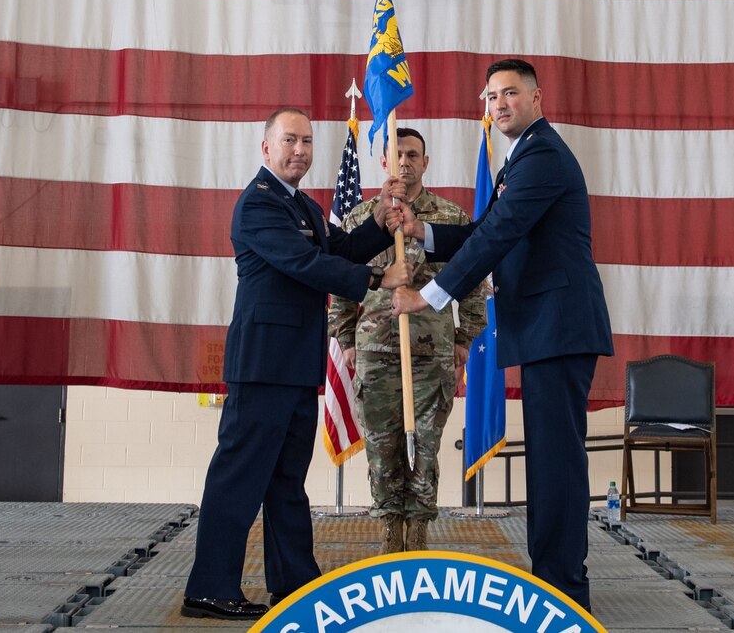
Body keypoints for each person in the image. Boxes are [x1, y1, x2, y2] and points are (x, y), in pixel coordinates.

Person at [391, 59, 613, 612]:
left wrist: (430, 295)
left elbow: (501, 233)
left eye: (510, 93)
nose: (499, 105)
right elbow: (485, 229)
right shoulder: (521, 158)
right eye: (491, 97)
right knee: (548, 457)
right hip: (546, 328)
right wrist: (424, 230)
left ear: (538, 98)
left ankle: (565, 592)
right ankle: (556, 580)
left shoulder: (541, 155)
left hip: (557, 327)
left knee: (556, 461)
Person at [182, 107, 411, 621]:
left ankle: (295, 584)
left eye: (307, 142)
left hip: (294, 366)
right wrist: (379, 281)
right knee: (238, 479)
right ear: (266, 148)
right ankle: (209, 588)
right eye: (289, 141)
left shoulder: (303, 206)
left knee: (287, 481)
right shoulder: (259, 205)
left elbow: (342, 248)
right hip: (263, 366)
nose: (300, 151)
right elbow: (306, 265)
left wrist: (377, 221)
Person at [328, 127, 487, 554]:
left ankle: (418, 528)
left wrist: (464, 339)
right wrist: (345, 340)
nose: (405, 161)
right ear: (383, 162)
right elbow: (341, 284)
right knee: (383, 448)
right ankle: (388, 528)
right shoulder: (361, 218)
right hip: (375, 353)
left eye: (413, 154)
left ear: (426, 162)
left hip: (431, 353)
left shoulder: (449, 218)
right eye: (396, 154)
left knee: (427, 448)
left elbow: (473, 283)